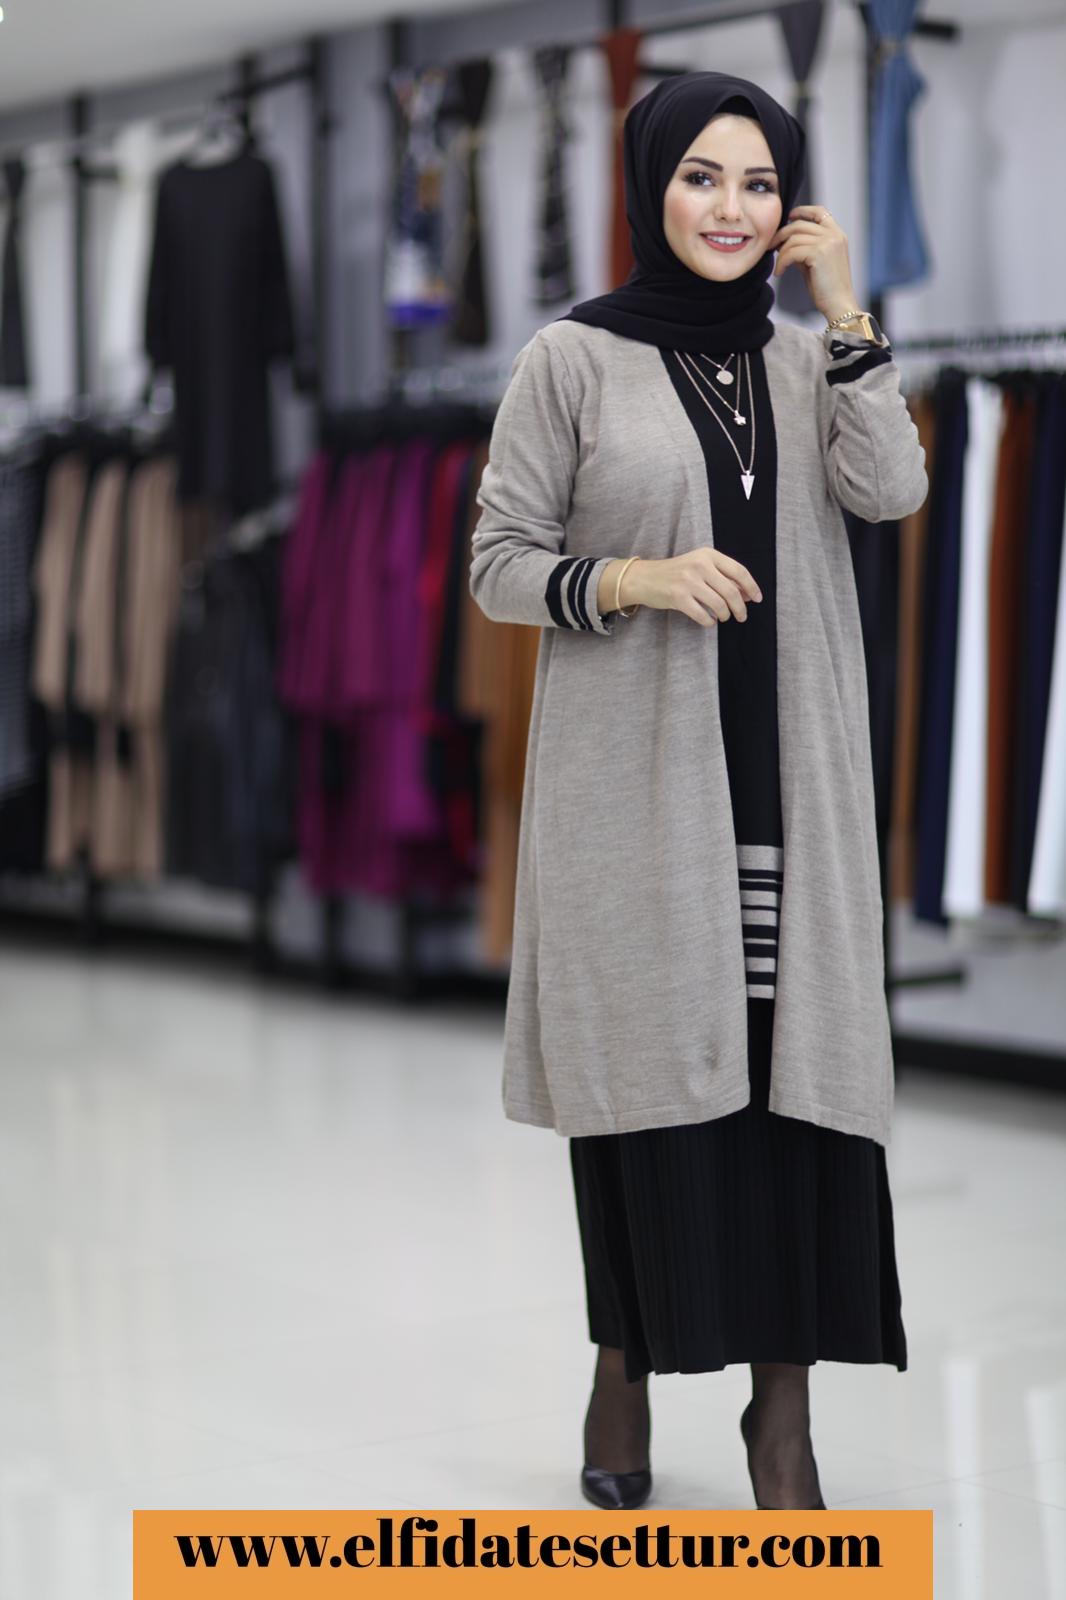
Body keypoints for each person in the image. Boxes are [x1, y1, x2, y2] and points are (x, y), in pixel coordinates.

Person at [469, 70, 927, 1512]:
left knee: (797, 1109)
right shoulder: (570, 359)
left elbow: (892, 491)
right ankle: (623, 1359)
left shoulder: (806, 359)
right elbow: (497, 564)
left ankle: (780, 1421)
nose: (729, 208)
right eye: (699, 177)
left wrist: (848, 319)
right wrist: (633, 579)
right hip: (638, 802)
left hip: (794, 791)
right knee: (652, 1107)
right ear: (650, 187)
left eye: (756, 181)